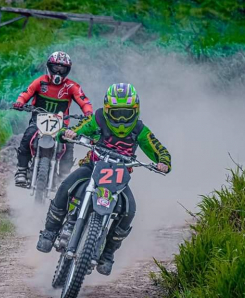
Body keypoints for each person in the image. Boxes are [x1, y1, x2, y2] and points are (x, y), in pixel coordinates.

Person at [36, 83, 171, 276]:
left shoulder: (140, 129)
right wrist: (70, 133)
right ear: (108, 111)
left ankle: (107, 254)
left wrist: (163, 162)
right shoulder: (98, 119)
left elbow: (158, 148)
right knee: (66, 186)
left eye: (127, 113)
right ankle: (50, 231)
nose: (122, 119)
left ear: (136, 111)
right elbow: (81, 128)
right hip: (92, 167)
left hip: (119, 178)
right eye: (117, 113)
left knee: (129, 210)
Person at [13, 51, 93, 186]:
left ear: (68, 70)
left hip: (61, 124)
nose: (58, 72)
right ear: (49, 67)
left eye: (62, 69)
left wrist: (88, 113)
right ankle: (21, 170)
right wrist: (20, 102)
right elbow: (27, 93)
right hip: (38, 121)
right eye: (55, 67)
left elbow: (84, 101)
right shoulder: (40, 81)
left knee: (68, 143)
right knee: (27, 136)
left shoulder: (71, 87)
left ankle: (63, 177)